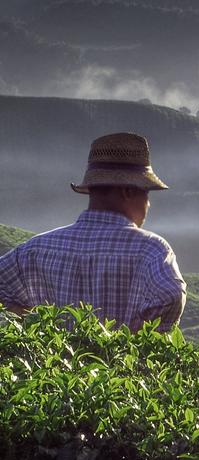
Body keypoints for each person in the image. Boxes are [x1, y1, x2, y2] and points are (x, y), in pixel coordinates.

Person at [0, 132, 186, 331]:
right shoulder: (150, 250)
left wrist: (36, 326)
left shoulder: (36, 248)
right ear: (128, 191)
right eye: (146, 194)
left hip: (52, 361)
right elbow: (171, 295)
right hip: (118, 361)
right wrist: (133, 338)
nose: (148, 204)